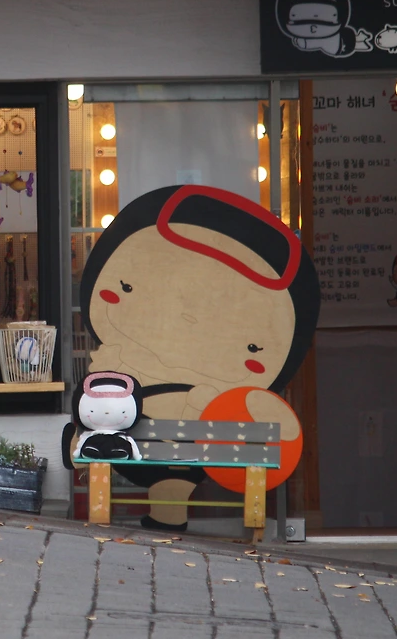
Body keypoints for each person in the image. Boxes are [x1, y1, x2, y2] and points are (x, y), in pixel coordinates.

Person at [76, 184, 320, 530]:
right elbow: (283, 434)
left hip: (133, 444)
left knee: (102, 434)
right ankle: (172, 505)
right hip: (181, 451)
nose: (187, 318)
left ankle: (165, 503)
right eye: (128, 287)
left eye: (252, 345)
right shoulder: (122, 359)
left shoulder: (119, 361)